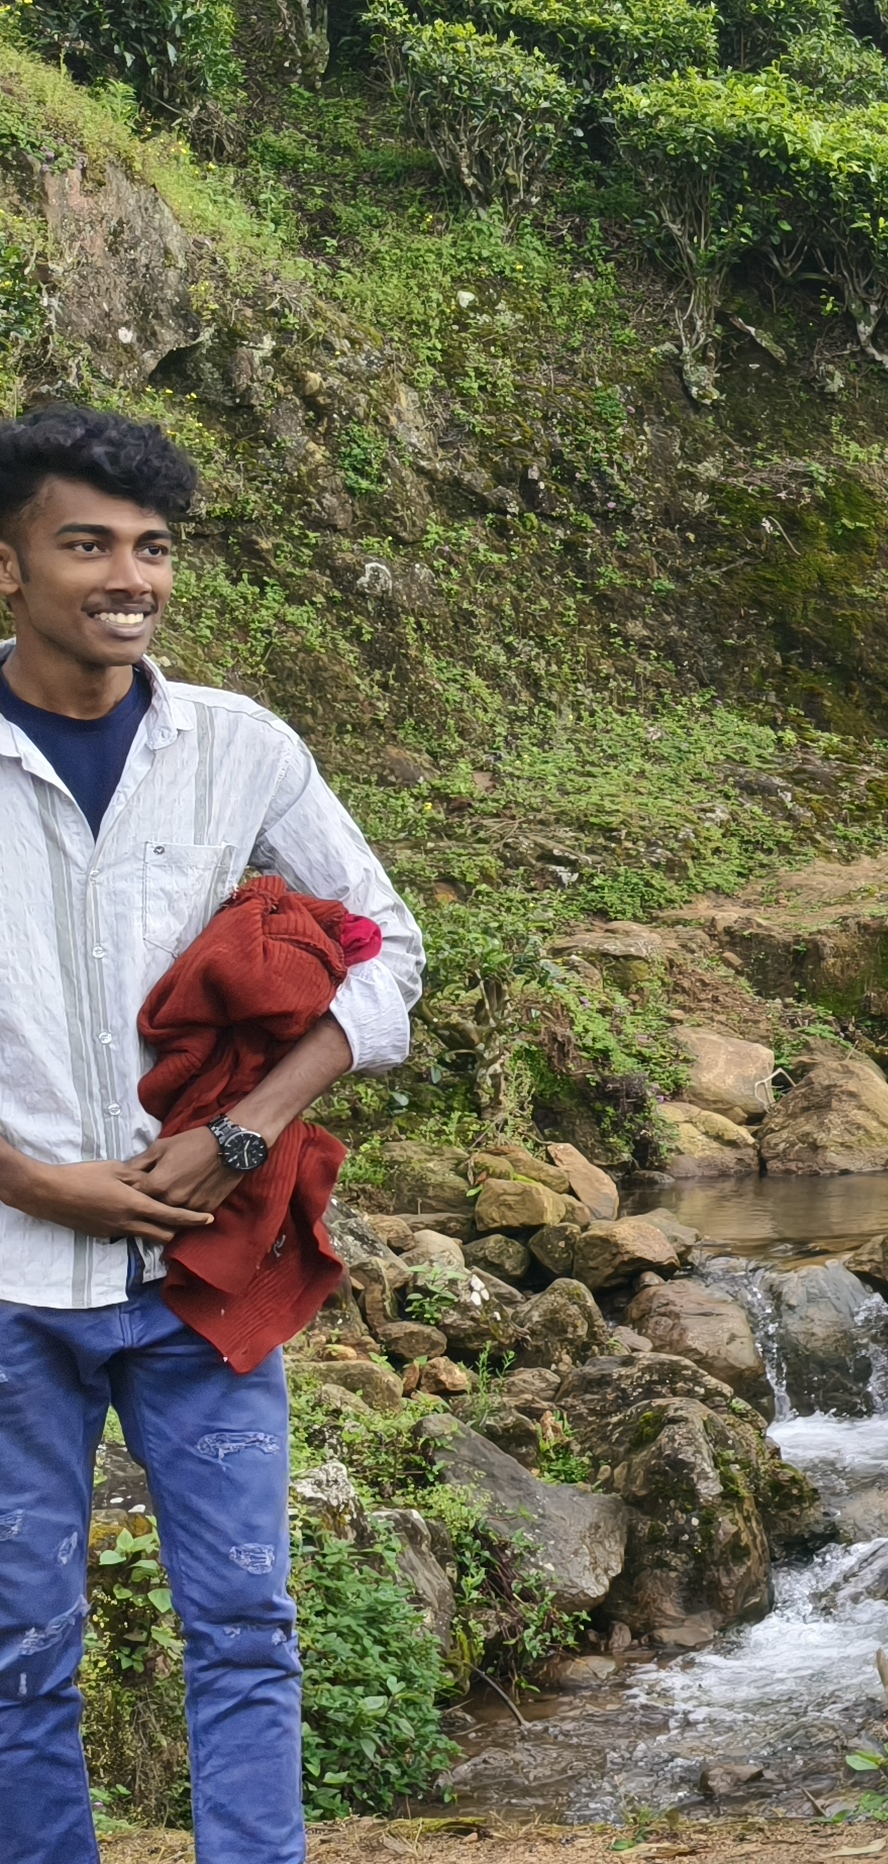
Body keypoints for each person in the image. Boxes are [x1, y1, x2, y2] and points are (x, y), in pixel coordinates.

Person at [0, 407, 428, 1864]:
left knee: (246, 1624)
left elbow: (390, 955)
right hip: (7, 1286)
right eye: (87, 545)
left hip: (202, 1281)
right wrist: (27, 1176)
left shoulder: (235, 746)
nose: (128, 577)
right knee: (16, 1649)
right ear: (10, 564)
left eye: (153, 547)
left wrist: (244, 1133)